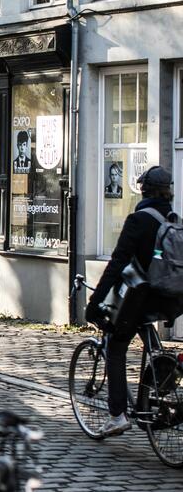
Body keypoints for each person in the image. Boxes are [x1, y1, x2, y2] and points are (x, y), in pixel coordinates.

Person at [86, 165, 177, 437]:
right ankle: (158, 390)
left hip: (143, 298)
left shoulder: (138, 220)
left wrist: (95, 301)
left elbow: (117, 264)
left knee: (115, 346)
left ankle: (117, 416)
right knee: (151, 342)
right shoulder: (175, 220)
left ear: (144, 190)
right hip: (172, 298)